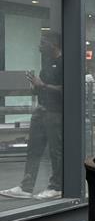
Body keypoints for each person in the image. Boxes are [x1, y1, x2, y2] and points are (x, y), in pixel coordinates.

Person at [1, 31, 63, 200]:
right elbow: (41, 87)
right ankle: (26, 187)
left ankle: (57, 186)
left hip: (55, 112)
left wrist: (42, 85)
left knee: (55, 151)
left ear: (53, 44)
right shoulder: (47, 64)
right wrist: (35, 87)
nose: (39, 46)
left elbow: (66, 89)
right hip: (42, 110)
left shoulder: (63, 63)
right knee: (33, 149)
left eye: (43, 42)